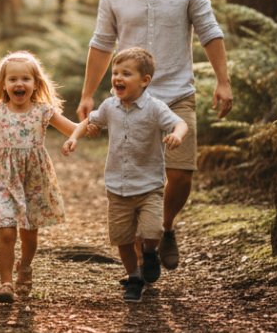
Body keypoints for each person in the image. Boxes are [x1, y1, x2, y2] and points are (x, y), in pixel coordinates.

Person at [77, 0, 233, 273]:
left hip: (177, 93)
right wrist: (88, 94)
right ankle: (144, 246)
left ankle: (164, 227)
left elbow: (209, 31)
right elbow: (101, 44)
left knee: (181, 173)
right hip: (130, 102)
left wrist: (223, 81)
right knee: (135, 178)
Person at [0, 51, 91, 304]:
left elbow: (77, 128)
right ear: (3, 84)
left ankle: (24, 265)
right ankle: (6, 284)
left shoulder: (44, 111)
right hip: (2, 178)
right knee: (6, 231)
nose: (19, 84)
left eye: (25, 79)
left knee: (29, 234)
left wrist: (86, 129)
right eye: (12, 79)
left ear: (36, 84)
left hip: (34, 179)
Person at [64, 47, 187, 303]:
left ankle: (151, 253)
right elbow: (90, 121)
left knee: (152, 230)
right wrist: (75, 136)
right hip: (117, 188)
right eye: (115, 72)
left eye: (126, 73)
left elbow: (180, 122)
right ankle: (133, 277)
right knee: (122, 239)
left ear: (144, 81)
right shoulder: (110, 106)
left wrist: (177, 134)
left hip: (149, 185)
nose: (118, 78)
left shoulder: (155, 108)